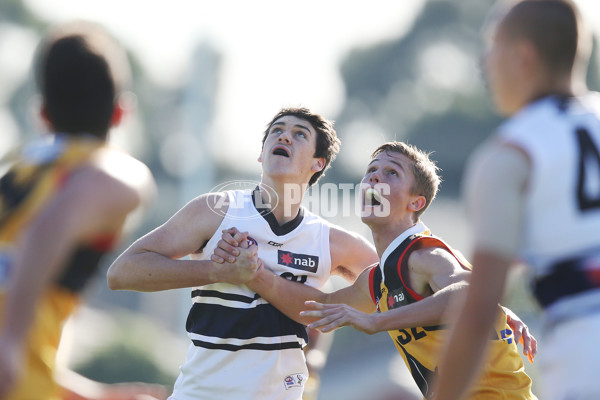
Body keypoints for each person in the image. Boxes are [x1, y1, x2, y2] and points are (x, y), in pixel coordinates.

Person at [215, 141, 537, 400]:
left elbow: (467, 291)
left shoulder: (423, 253)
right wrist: (254, 271)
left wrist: (376, 320)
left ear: (415, 203)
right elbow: (319, 309)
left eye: (391, 173)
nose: (374, 178)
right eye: (371, 171)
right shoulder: (379, 277)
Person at [107, 107, 380, 400]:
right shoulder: (215, 210)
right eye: (277, 131)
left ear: (318, 163)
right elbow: (122, 272)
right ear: (261, 154)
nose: (285, 136)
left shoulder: (330, 241)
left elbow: (395, 284)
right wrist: (218, 270)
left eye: (299, 134)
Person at [432, 0, 600, 398]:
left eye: (492, 45)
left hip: (584, 355)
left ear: (523, 56)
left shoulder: (507, 155)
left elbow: (480, 307)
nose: (484, 62)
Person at [0, 21, 162, 400]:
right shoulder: (112, 174)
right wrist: (10, 341)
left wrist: (95, 395)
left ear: (42, 113)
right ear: (122, 113)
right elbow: (50, 225)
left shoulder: (16, 170)